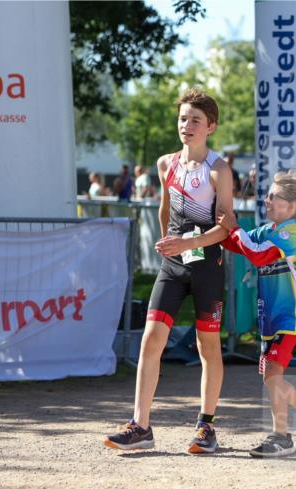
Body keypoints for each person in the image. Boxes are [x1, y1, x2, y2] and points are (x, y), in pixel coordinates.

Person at [103, 88, 236, 455]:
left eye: (195, 120)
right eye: (182, 119)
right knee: (151, 339)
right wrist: (169, 245)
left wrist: (188, 245)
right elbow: (165, 211)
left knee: (206, 345)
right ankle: (141, 425)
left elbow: (226, 227)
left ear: (211, 126)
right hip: (173, 264)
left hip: (208, 266)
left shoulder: (219, 170)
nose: (186, 125)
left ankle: (206, 426)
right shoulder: (166, 164)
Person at [219, 171, 296, 458]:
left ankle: (281, 437)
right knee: (270, 378)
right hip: (271, 318)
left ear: (291, 206)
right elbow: (234, 243)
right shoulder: (269, 229)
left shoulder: (292, 232)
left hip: (291, 316)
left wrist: (234, 228)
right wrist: (218, 223)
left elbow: (256, 254)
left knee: (274, 376)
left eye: (273, 196)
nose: (266, 200)